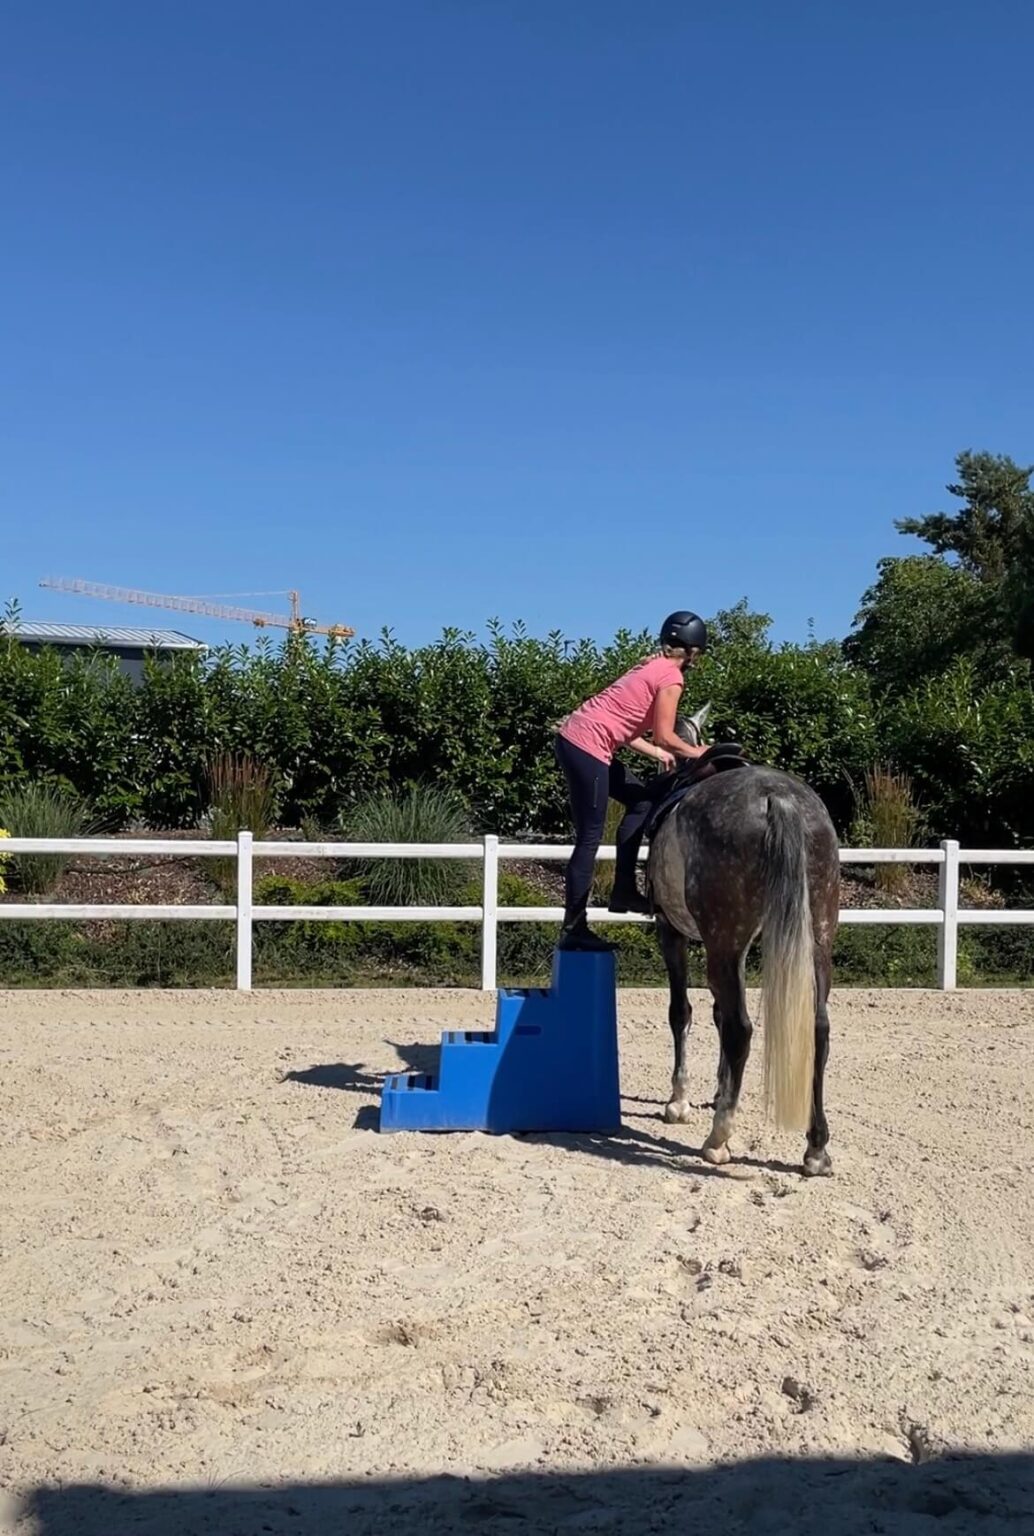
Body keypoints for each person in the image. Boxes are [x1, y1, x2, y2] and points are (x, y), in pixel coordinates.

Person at [553, 611, 709, 952]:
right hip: (586, 745)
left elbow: (621, 725)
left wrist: (656, 752)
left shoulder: (649, 667)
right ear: (695, 651)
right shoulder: (670, 677)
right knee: (590, 838)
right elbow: (667, 735)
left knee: (641, 801)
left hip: (580, 739)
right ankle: (574, 927)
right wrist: (698, 752)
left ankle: (623, 889)